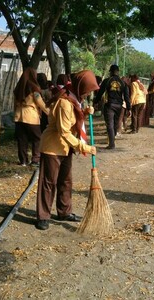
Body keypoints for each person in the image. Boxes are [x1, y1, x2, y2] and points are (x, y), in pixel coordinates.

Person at [35, 70, 99, 230]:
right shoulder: (65, 102)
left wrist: (84, 112)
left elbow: (73, 119)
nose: (88, 93)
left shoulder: (74, 99)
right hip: (53, 147)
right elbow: (64, 130)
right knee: (49, 182)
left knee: (66, 181)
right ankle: (43, 216)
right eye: (87, 90)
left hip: (65, 148)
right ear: (79, 87)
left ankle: (64, 211)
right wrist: (84, 147)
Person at [14, 67, 49, 167]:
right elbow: (40, 104)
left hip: (18, 117)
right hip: (31, 117)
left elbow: (14, 105)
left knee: (22, 140)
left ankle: (23, 161)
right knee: (37, 138)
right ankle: (35, 159)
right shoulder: (34, 88)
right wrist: (51, 113)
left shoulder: (18, 88)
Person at [94, 65, 131, 149]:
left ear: (110, 72)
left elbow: (100, 93)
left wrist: (95, 102)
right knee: (115, 124)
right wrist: (129, 108)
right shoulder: (123, 83)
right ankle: (112, 141)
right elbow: (126, 97)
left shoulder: (107, 81)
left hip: (110, 105)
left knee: (110, 124)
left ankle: (111, 144)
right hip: (119, 106)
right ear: (118, 72)